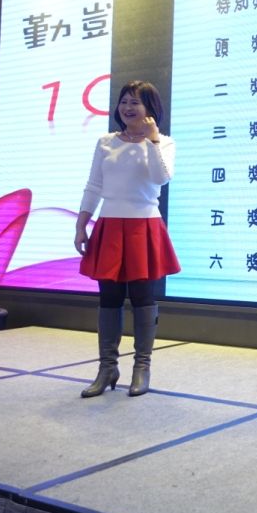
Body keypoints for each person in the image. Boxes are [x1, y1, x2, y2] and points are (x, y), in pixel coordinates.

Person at [74, 80, 180, 398]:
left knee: (142, 298)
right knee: (109, 298)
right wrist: (81, 224)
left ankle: (141, 368)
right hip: (109, 224)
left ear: (150, 108)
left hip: (144, 226)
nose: (128, 107)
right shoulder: (105, 142)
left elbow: (161, 177)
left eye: (136, 102)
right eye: (124, 101)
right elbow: (94, 185)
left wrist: (152, 139)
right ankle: (107, 368)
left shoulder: (164, 142)